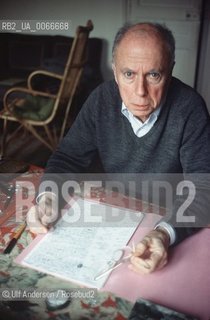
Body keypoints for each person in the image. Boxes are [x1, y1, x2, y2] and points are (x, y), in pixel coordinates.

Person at [27, 22, 210, 275]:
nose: (140, 92)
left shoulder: (190, 108)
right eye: (129, 74)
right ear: (115, 72)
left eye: (154, 75)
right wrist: (47, 197)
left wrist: (165, 233)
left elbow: (203, 187)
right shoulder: (101, 99)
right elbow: (68, 157)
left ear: (169, 71)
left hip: (168, 218)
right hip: (112, 217)